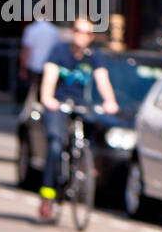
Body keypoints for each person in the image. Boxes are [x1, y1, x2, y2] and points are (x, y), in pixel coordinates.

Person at [37, 17, 119, 221]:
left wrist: (110, 101)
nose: (82, 36)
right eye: (78, 31)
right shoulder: (59, 51)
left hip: (81, 104)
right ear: (72, 32)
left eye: (87, 33)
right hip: (59, 103)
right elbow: (49, 77)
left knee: (90, 130)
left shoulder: (94, 56)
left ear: (92, 37)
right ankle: (47, 195)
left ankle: (84, 164)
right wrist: (47, 98)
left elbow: (103, 80)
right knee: (55, 146)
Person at [18, 15, 57, 104]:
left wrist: (23, 67)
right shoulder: (54, 31)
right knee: (43, 90)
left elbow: (26, 49)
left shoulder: (31, 29)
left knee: (30, 89)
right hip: (48, 66)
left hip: (33, 65)